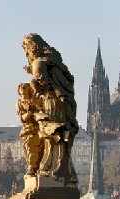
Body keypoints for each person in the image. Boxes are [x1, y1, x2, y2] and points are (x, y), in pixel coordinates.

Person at [20, 33, 78, 181]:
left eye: (27, 49)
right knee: (56, 135)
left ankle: (52, 169)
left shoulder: (39, 63)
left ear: (33, 47)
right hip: (60, 104)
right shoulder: (53, 61)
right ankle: (58, 168)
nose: (27, 53)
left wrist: (33, 86)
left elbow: (41, 86)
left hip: (50, 104)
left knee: (52, 134)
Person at [16, 82, 43, 175]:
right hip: (28, 129)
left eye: (25, 87)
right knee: (29, 146)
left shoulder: (34, 101)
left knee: (34, 146)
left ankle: (34, 167)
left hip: (38, 128)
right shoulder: (20, 103)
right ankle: (32, 166)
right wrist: (29, 112)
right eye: (21, 88)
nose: (23, 89)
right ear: (19, 91)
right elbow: (22, 118)